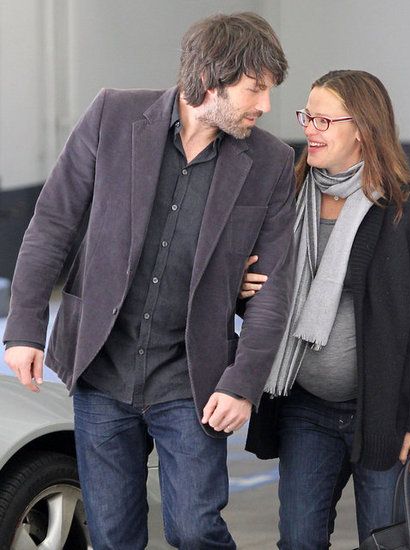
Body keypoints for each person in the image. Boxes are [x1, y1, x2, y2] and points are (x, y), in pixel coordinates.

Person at [3, 12, 295, 550]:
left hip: (193, 380)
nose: (265, 106)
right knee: (113, 536)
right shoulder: (112, 116)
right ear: (210, 80)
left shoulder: (272, 162)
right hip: (101, 371)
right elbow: (53, 224)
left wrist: (243, 383)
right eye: (255, 89)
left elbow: (273, 288)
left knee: (195, 530)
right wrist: (23, 328)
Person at [241, 69, 410, 549]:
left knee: (388, 541)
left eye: (323, 119)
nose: (310, 129)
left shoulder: (403, 210)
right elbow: (265, 295)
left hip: (382, 414)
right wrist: (243, 288)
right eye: (307, 117)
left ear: (362, 127)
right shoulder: (288, 197)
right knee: (298, 540)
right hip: (305, 407)